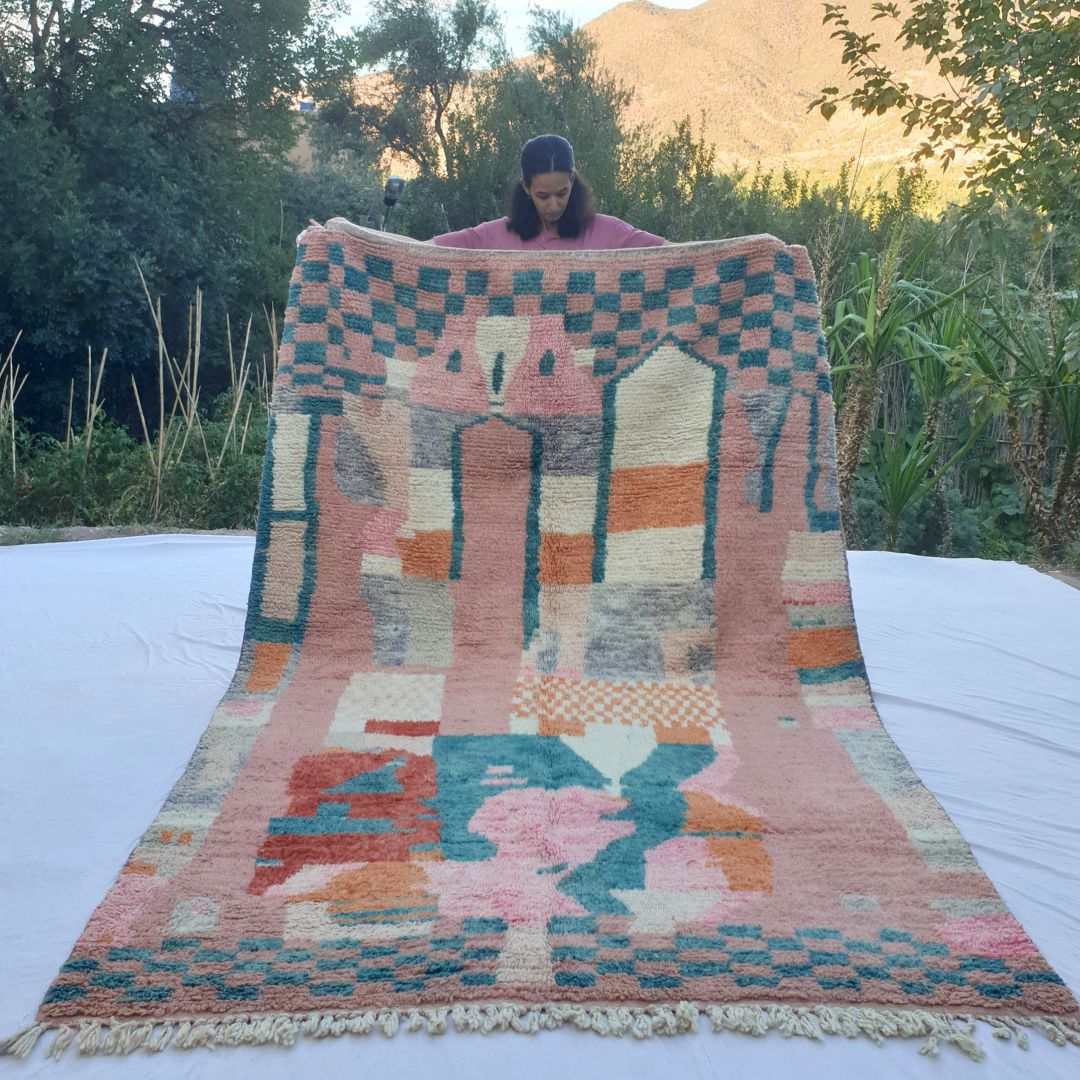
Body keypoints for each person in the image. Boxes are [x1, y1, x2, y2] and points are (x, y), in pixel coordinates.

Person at [430, 135, 666, 250]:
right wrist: (390, 245)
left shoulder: (609, 232)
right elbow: (419, 252)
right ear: (526, 187)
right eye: (543, 196)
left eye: (562, 193)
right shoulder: (493, 236)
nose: (554, 205)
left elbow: (677, 254)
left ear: (572, 180)